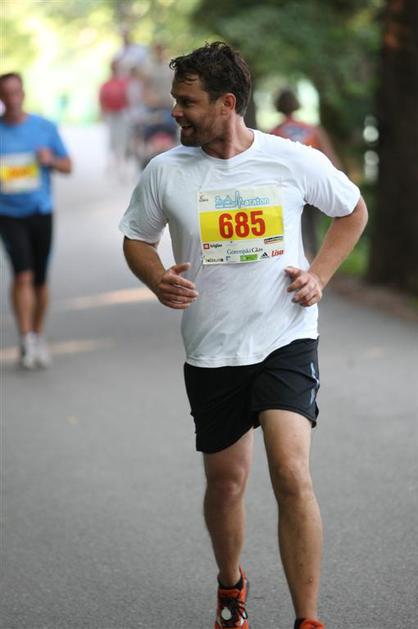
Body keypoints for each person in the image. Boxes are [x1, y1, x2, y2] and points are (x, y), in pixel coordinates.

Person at [119, 42, 368, 629]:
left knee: (291, 473)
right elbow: (136, 238)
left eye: (187, 101)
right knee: (227, 483)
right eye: (176, 100)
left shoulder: (291, 159)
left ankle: (308, 619)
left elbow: (352, 210)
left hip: (285, 336)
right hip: (212, 348)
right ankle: (231, 584)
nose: (175, 111)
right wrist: (157, 278)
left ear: (226, 103)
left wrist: (319, 275)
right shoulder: (166, 171)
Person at [0, 72, 72, 369]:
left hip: (40, 211)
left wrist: (50, 160)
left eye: (16, 92)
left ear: (23, 93)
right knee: (22, 275)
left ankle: (38, 333)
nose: (12, 99)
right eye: (6, 94)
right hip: (7, 213)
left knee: (40, 280)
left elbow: (67, 165)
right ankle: (26, 337)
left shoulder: (44, 128)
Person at [270, 89, 342, 259]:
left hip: (289, 187)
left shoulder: (273, 133)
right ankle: (316, 260)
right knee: (313, 227)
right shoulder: (313, 130)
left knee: (296, 227)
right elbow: (330, 156)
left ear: (278, 106)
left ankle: (300, 260)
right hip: (314, 185)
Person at [99, 60, 130, 179]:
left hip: (121, 114)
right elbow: (102, 98)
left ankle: (121, 163)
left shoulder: (123, 83)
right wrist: (103, 112)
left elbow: (126, 98)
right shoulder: (107, 84)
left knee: (122, 139)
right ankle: (111, 163)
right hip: (111, 114)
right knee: (112, 139)